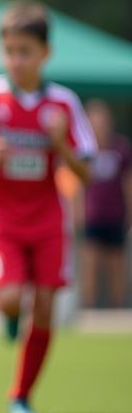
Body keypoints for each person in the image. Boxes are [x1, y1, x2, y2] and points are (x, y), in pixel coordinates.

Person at [0, 0, 96, 413]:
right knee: (12, 297)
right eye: (10, 51)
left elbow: (86, 172)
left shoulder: (64, 103)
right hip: (0, 219)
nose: (16, 60)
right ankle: (9, 315)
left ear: (45, 53)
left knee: (46, 306)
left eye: (25, 51)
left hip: (48, 220)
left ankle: (21, 396)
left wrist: (59, 144)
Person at [81, 99, 132, 308]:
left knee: (116, 266)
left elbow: (128, 182)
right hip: (91, 216)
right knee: (90, 265)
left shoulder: (121, 148)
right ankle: (89, 309)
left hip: (115, 215)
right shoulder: (83, 148)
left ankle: (116, 309)